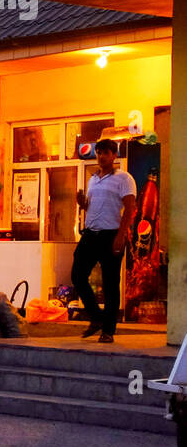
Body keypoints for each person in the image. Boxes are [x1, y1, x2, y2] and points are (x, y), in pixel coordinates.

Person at [73, 139, 137, 344]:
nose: (101, 156)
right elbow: (92, 206)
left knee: (110, 283)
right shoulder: (93, 179)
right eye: (98, 153)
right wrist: (83, 203)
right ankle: (96, 317)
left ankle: (108, 329)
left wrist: (121, 235)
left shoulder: (123, 178)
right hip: (91, 234)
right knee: (77, 275)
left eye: (105, 153)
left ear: (114, 155)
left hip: (111, 234)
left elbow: (130, 208)